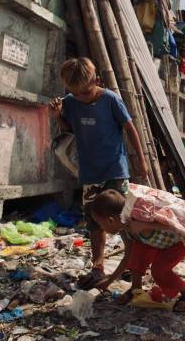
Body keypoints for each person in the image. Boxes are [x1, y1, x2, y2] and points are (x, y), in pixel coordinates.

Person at [48, 57, 148, 289]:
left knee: (122, 218)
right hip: (89, 172)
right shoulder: (71, 102)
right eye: (76, 94)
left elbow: (130, 128)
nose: (81, 98)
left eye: (85, 92)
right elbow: (70, 128)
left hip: (115, 169)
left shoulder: (111, 100)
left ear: (97, 80)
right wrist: (58, 116)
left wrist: (140, 162)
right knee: (94, 220)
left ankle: (134, 263)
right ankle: (98, 266)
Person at [88, 189, 185, 313]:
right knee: (136, 254)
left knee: (159, 270)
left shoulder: (139, 220)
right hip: (155, 243)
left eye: (100, 224)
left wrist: (147, 226)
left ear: (111, 220)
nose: (101, 228)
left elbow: (177, 227)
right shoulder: (124, 228)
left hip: (177, 244)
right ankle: (135, 289)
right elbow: (128, 257)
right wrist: (109, 281)